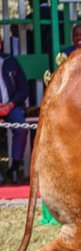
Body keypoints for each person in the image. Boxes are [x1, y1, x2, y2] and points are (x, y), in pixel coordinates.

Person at [0, 50, 32, 183]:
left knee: (21, 128)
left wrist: (10, 105)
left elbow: (24, 89)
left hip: (11, 106)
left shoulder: (10, 61)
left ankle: (15, 167)